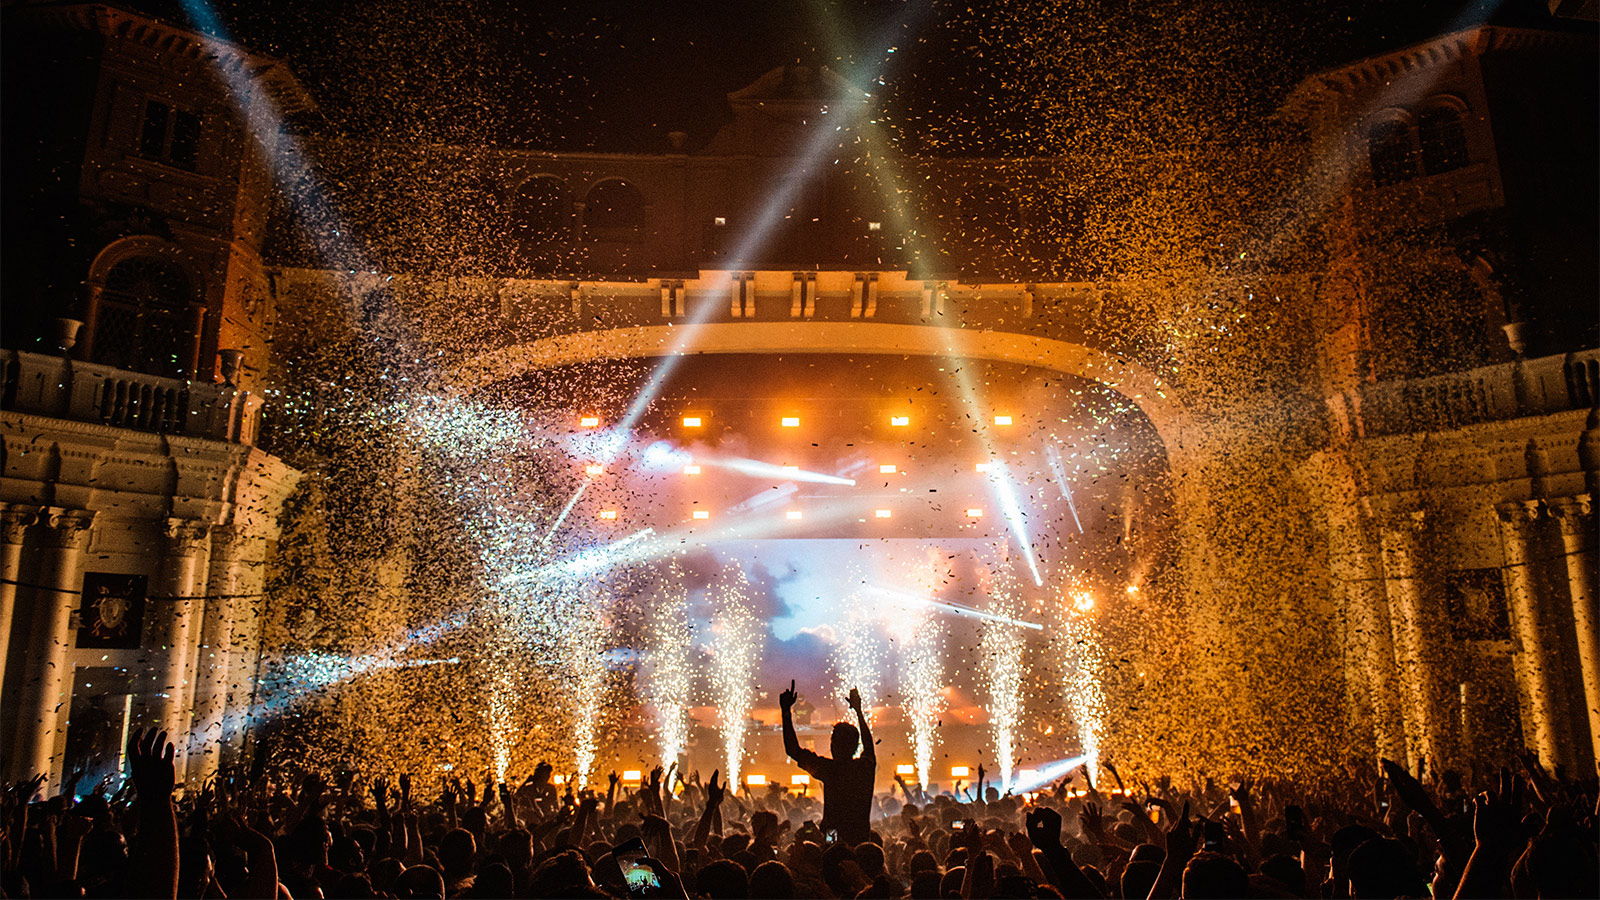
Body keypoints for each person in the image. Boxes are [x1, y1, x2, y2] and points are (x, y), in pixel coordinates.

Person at [779, 680, 876, 845]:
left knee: (831, 855)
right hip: (860, 838)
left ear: (834, 745)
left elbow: (793, 750)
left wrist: (786, 712)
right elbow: (869, 746)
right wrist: (859, 712)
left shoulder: (830, 770)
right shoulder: (864, 768)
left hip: (833, 836)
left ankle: (830, 849)